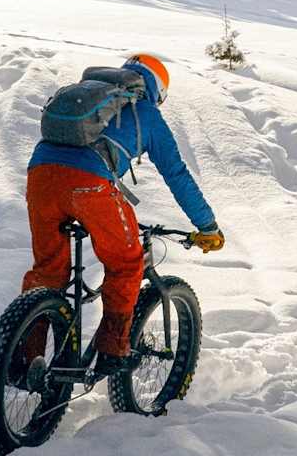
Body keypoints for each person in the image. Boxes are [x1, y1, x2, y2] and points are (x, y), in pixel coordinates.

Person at [23, 54, 224, 377]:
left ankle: (24, 357)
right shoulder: (146, 113)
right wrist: (207, 225)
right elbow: (176, 174)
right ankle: (114, 350)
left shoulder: (90, 99)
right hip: (90, 185)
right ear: (157, 90)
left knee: (48, 271)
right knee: (127, 262)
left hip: (40, 176)